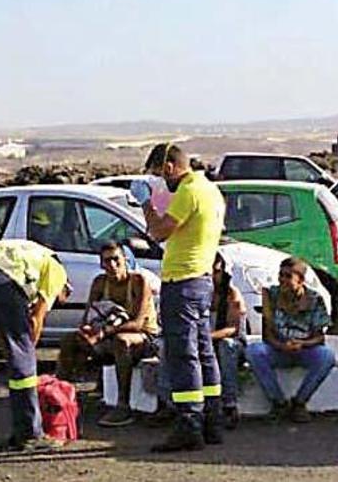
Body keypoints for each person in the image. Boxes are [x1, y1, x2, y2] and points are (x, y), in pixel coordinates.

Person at [132, 142, 225, 452]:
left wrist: (146, 204)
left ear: (169, 167)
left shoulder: (188, 191)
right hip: (201, 281)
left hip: (182, 283)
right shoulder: (211, 190)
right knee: (204, 352)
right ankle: (213, 420)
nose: (160, 181)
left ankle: (189, 424)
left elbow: (158, 232)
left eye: (158, 175)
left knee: (183, 354)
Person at [0, 239, 72, 452]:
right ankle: (29, 435)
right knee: (23, 363)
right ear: (64, 289)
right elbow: (36, 318)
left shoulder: (28, 253)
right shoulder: (57, 272)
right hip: (2, 279)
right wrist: (26, 349)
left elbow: (6, 329)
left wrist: (12, 345)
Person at [57, 242, 159, 428]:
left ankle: (123, 406)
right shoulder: (99, 283)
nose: (112, 265)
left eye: (116, 260)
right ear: (101, 264)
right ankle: (61, 397)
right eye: (107, 261)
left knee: (121, 342)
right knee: (70, 341)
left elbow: (138, 323)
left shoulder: (138, 282)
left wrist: (105, 332)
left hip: (142, 338)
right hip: (107, 337)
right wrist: (87, 332)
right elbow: (88, 317)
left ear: (125, 261)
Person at [246, 257, 336, 423]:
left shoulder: (314, 299)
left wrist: (302, 344)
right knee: (254, 351)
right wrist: (282, 345)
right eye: (281, 275)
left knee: (327, 356)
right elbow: (267, 335)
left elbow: (319, 337)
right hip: (278, 349)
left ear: (300, 280)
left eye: (288, 276)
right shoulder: (271, 295)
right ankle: (278, 402)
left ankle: (299, 403)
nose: (282, 280)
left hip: (304, 349)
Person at [210, 252, 247, 429]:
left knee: (227, 347)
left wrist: (209, 337)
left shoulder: (232, 294)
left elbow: (233, 329)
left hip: (231, 344)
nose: (211, 276)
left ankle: (229, 405)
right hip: (206, 343)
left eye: (216, 271)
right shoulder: (201, 294)